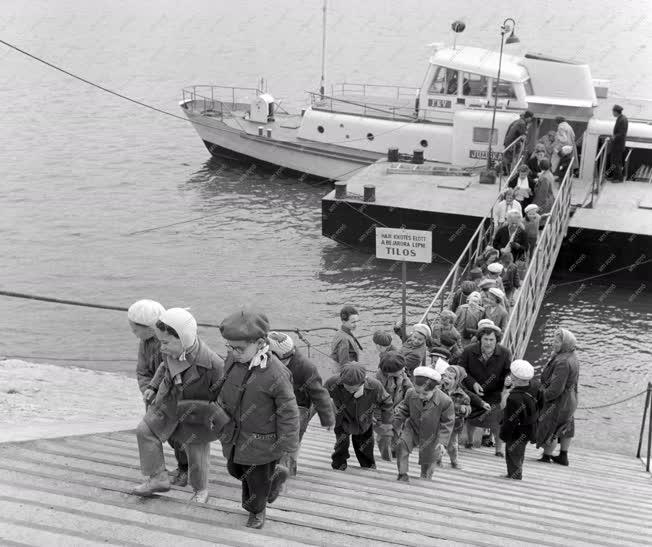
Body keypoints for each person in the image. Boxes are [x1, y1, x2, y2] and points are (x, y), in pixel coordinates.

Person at [132, 308, 224, 504]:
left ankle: (201, 490)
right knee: (144, 431)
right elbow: (164, 367)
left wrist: (215, 418)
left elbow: (224, 395)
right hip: (168, 402)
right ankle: (157, 477)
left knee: (196, 456)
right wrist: (153, 386)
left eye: (165, 342)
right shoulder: (169, 351)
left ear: (183, 338)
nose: (161, 348)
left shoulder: (214, 364)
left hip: (195, 413)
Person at [218, 309, 300, 529]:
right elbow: (224, 385)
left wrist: (288, 447)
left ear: (261, 342)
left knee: (255, 481)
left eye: (239, 348)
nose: (233, 352)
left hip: (262, 440)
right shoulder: (233, 360)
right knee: (235, 469)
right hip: (235, 433)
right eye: (229, 347)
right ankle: (275, 479)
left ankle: (257, 511)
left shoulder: (277, 373)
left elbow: (289, 412)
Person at [128, 299, 190, 487]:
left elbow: (173, 370)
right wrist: (148, 389)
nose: (133, 332)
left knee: (179, 435)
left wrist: (160, 392)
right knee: (167, 435)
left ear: (149, 327)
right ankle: (178, 469)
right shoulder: (144, 343)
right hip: (156, 397)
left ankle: (186, 468)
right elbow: (142, 371)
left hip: (174, 396)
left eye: (135, 328)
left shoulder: (168, 342)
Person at [267, 331, 335, 476]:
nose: (284, 364)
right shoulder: (264, 360)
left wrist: (328, 418)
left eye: (286, 360)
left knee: (293, 440)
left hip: (300, 408)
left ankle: (288, 470)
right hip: (274, 405)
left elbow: (319, 394)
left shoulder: (306, 367)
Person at [326, 363, 393, 471]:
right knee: (341, 447)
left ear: (362, 383)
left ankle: (369, 469)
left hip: (364, 421)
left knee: (365, 449)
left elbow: (387, 402)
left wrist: (386, 423)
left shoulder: (375, 386)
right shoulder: (333, 382)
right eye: (346, 388)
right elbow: (321, 397)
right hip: (342, 418)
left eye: (353, 389)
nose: (349, 391)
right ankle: (338, 467)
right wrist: (327, 417)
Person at [393, 366, 455, 481]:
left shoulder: (445, 401)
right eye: (418, 392)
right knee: (402, 445)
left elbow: (448, 422)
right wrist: (393, 423)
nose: (421, 396)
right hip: (412, 428)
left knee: (429, 458)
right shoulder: (411, 393)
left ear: (435, 389)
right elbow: (404, 409)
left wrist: (442, 442)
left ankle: (426, 478)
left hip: (432, 434)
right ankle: (402, 473)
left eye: (425, 394)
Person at [459, 323, 512, 456]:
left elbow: (508, 372)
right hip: (472, 391)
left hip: (494, 393)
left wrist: (508, 379)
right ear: (480, 339)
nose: (488, 343)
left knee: (497, 422)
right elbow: (462, 370)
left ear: (496, 340)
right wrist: (473, 383)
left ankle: (498, 450)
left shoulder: (505, 353)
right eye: (485, 339)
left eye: (492, 340)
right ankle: (469, 442)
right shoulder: (468, 351)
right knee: (471, 418)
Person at [536, 328, 580, 467]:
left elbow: (555, 390)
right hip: (570, 399)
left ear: (565, 343)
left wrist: (540, 397)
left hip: (559, 402)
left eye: (556, 342)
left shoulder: (562, 362)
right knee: (566, 426)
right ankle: (563, 455)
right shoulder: (573, 355)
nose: (552, 344)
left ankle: (546, 456)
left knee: (551, 427)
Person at [499, 360, 538, 480]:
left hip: (516, 432)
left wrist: (503, 435)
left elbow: (509, 419)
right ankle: (514, 473)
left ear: (516, 378)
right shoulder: (536, 386)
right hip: (530, 427)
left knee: (512, 454)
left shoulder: (513, 398)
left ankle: (514, 477)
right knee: (519, 453)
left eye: (511, 374)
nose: (509, 376)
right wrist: (508, 386)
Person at [375, 351, 413, 461]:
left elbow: (409, 388)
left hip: (397, 410)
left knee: (397, 434)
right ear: (390, 372)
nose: (403, 370)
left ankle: (395, 454)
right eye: (400, 369)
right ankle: (386, 459)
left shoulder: (402, 374)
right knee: (384, 436)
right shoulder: (378, 381)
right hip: (382, 412)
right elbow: (375, 401)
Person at [438, 365, 472, 469]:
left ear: (457, 381)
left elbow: (468, 407)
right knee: (438, 441)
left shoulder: (462, 395)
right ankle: (437, 460)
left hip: (454, 425)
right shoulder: (438, 390)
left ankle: (454, 461)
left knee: (452, 445)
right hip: (439, 422)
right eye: (444, 376)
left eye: (450, 378)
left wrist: (465, 409)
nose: (445, 379)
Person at [609, 105, 628, 182]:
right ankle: (614, 176)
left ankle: (619, 178)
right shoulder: (620, 118)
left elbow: (622, 133)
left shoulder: (622, 120)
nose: (612, 113)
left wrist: (614, 137)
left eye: (613, 111)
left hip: (618, 145)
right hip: (616, 145)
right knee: (614, 161)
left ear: (616, 112)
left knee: (617, 162)